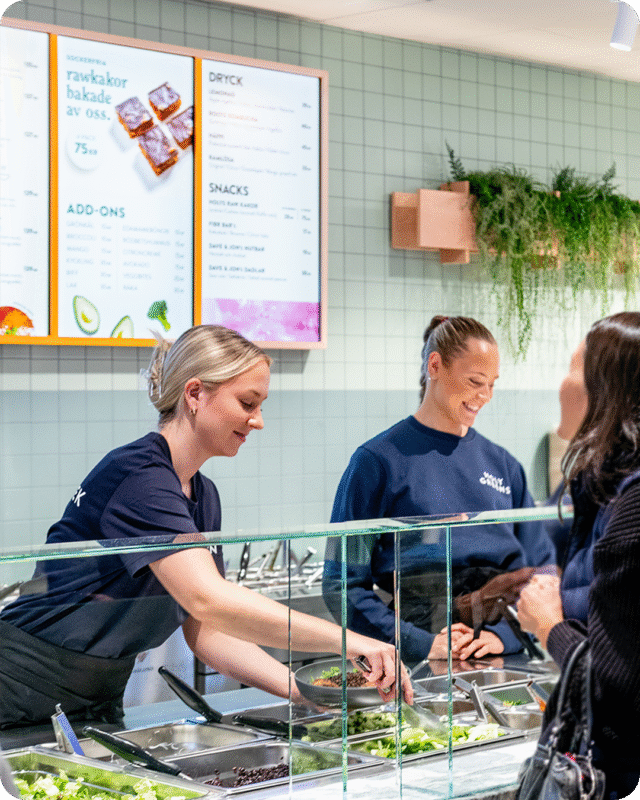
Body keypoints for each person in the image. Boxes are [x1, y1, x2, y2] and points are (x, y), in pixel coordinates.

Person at [0, 325, 410, 741]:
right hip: (21, 683)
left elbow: (207, 631)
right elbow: (208, 599)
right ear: (195, 394)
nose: (258, 421)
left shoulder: (203, 495)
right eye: (247, 403)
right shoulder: (139, 477)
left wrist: (303, 691)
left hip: (98, 693)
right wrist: (349, 641)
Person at [323, 316, 556, 666]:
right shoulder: (376, 461)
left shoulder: (504, 465)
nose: (485, 396)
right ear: (435, 365)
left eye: (492, 384)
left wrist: (504, 637)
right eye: (475, 381)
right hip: (412, 656)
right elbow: (341, 585)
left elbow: (544, 573)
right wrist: (419, 643)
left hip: (503, 657)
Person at [517, 311, 640, 799]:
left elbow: (616, 685)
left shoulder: (633, 504)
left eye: (573, 368)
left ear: (606, 389)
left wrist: (549, 625)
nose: (562, 384)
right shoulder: (605, 485)